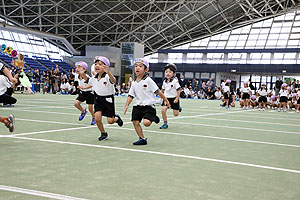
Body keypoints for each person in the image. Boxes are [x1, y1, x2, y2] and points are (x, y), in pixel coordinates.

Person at [124, 58, 170, 145]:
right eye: (136, 66)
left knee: (146, 123)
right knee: (135, 121)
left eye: (140, 66)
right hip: (138, 105)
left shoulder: (148, 80)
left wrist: (165, 100)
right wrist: (127, 105)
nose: (137, 68)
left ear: (146, 69)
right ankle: (142, 139)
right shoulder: (134, 82)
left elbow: (158, 91)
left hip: (148, 106)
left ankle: (153, 117)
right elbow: (131, 95)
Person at [79, 56, 123, 141]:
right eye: (96, 64)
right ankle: (103, 133)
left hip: (108, 100)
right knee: (97, 118)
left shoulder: (107, 76)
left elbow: (113, 80)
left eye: (100, 64)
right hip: (98, 99)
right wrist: (82, 73)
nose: (97, 66)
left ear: (106, 66)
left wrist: (108, 72)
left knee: (110, 121)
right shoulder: (94, 78)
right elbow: (88, 80)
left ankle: (117, 118)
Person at [159, 63, 182, 129]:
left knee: (175, 114)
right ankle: (165, 123)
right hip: (166, 99)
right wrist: (161, 95)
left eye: (170, 72)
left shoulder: (175, 81)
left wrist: (177, 99)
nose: (168, 73)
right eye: (166, 72)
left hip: (174, 99)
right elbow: (162, 90)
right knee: (163, 110)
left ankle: (178, 108)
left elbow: (179, 90)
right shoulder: (164, 82)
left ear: (174, 73)